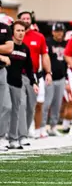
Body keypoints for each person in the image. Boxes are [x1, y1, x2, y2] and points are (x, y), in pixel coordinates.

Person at [18, 11, 52, 146]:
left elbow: (44, 55)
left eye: (28, 18)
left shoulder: (38, 36)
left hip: (33, 75)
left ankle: (29, 131)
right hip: (17, 74)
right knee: (19, 105)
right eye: (23, 18)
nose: (26, 20)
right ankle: (17, 133)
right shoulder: (13, 34)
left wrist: (48, 72)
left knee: (32, 105)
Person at [6, 21, 39, 149]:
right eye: (18, 30)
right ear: (12, 32)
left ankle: (13, 139)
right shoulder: (7, 46)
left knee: (15, 111)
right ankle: (3, 137)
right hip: (4, 82)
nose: (20, 33)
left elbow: (29, 68)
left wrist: (33, 82)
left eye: (22, 31)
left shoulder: (25, 49)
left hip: (17, 83)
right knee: (5, 108)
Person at [40, 23, 68, 137]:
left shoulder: (66, 44)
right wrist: (47, 73)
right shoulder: (48, 42)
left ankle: (53, 127)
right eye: (57, 31)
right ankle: (41, 127)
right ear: (53, 32)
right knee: (46, 103)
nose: (59, 33)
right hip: (49, 77)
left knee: (57, 104)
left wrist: (66, 77)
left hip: (61, 78)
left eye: (61, 31)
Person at [0, 0, 14, 151]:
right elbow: (5, 51)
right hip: (2, 63)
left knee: (5, 106)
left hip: (1, 71)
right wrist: (1, 56)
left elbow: (9, 48)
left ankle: (1, 137)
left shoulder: (4, 28)